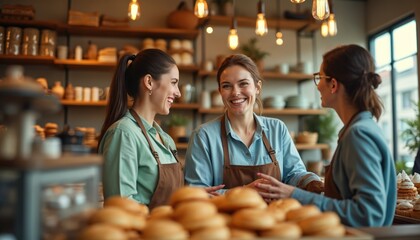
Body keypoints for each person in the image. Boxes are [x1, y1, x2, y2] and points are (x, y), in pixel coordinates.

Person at [255, 44, 397, 227]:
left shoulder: (359, 135)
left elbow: (369, 215)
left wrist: (294, 194)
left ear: (334, 84)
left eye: (319, 77)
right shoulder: (361, 127)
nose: (318, 85)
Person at [184, 54, 323, 196]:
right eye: (227, 86)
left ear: (257, 87)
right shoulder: (203, 136)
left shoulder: (277, 129)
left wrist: (312, 182)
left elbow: (294, 174)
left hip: (275, 216)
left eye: (243, 83)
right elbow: (196, 193)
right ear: (220, 91)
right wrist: (243, 192)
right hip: (223, 217)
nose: (235, 92)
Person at [98, 49, 185, 209]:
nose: (178, 92)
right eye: (173, 82)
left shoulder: (165, 138)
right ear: (149, 82)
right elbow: (121, 207)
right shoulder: (124, 133)